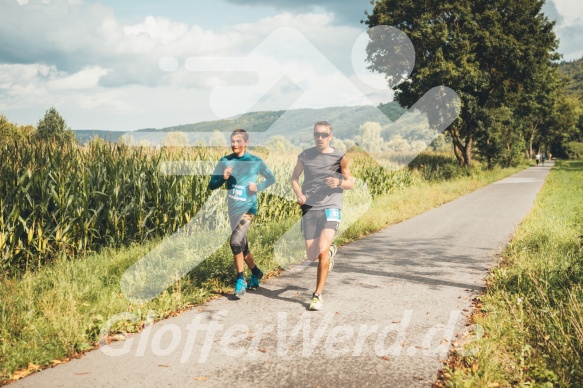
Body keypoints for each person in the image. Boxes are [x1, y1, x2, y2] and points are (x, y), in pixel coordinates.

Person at [291, 121, 354, 311]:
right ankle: (331, 252)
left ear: (330, 136)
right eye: (317, 134)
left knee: (322, 249)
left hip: (331, 206)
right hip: (310, 207)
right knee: (312, 254)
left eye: (324, 135)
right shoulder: (305, 155)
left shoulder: (339, 156)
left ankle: (317, 294)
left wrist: (339, 183)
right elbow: (294, 178)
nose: (320, 138)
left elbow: (351, 181)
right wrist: (299, 194)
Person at [209, 129, 276, 298]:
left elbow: (271, 178)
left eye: (238, 141)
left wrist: (258, 187)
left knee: (235, 241)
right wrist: (223, 177)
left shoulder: (255, 161)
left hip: (249, 209)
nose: (234, 144)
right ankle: (256, 272)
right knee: (242, 247)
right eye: (232, 141)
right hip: (233, 209)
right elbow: (212, 185)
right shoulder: (225, 161)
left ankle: (240, 280)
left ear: (246, 143)